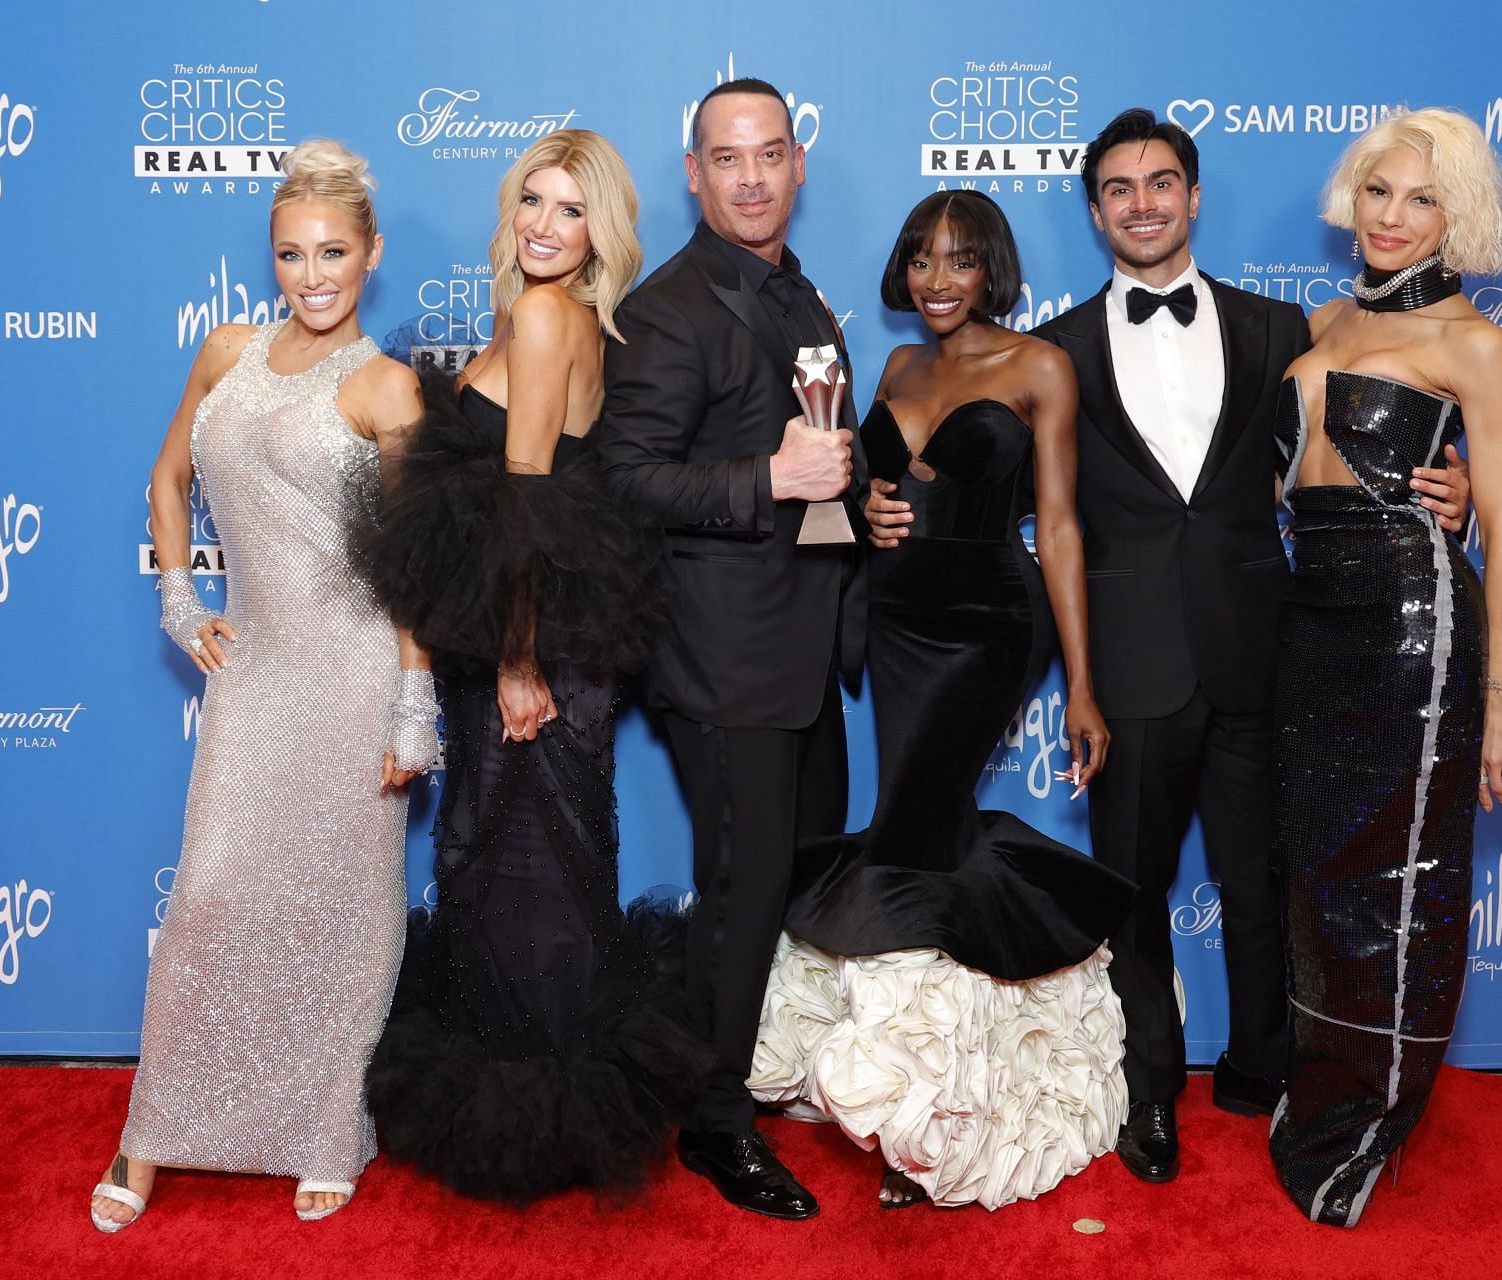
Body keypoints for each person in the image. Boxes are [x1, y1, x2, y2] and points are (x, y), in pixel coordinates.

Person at [872, 109, 1469, 1186]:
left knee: (1264, 879)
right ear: (1095, 208)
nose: (1142, 203)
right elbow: (992, 493)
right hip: (1126, 657)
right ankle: (1151, 1089)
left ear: (1193, 196)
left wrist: (1448, 487)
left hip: (1263, 648)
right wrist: (882, 509)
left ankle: (1260, 1067)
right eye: (1118, 188)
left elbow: (1373, 437)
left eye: (1160, 183)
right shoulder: (1050, 349)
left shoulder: (1288, 328)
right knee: (1132, 891)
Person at [750, 191, 1138, 1211]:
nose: (936, 280)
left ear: (992, 268)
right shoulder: (895, 367)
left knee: (912, 838)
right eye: (921, 259)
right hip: (894, 620)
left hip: (986, 626)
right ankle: (960, 1089)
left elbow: (1057, 528)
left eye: (960, 261)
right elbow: (851, 492)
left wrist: (1084, 687)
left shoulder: (1039, 367)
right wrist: (866, 503)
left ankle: (924, 1112)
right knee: (926, 835)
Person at [90, 139, 434, 1231]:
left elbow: (409, 566)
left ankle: (330, 1125)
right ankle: (148, 1136)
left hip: (353, 672)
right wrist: (181, 601)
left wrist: (415, 700)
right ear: (272, 258)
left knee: (348, 906)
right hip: (260, 675)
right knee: (209, 893)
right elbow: (168, 472)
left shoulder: (388, 388)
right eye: (293, 252)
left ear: (371, 254)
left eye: (335, 250)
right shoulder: (226, 351)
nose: (314, 273)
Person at [356, 131, 704, 1201]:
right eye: (531, 203)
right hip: (539, 639)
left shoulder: (549, 319)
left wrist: (514, 662)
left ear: (604, 227)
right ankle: (544, 1099)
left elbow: (526, 510)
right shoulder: (576, 320)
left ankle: (531, 1110)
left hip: (531, 644)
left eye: (569, 208)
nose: (544, 225)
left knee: (514, 866)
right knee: (527, 863)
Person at [594, 77, 860, 1221]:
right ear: (694, 175)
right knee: (740, 896)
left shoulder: (793, 289)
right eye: (727, 158)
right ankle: (712, 1125)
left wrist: (859, 498)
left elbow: (809, 450)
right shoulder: (673, 308)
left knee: (781, 882)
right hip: (724, 656)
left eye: (770, 154)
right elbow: (624, 478)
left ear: (798, 163)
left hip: (803, 648)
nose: (751, 177)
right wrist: (772, 480)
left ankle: (739, 1070)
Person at [1268, 106, 1502, 1228]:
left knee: (1402, 880)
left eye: (1422, 198)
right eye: (1379, 191)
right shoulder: (1321, 319)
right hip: (1312, 626)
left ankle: (1368, 1125)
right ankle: (1317, 1090)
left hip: (1415, 629)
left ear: (1456, 215)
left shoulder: (1474, 342)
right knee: (1322, 872)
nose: (1392, 216)